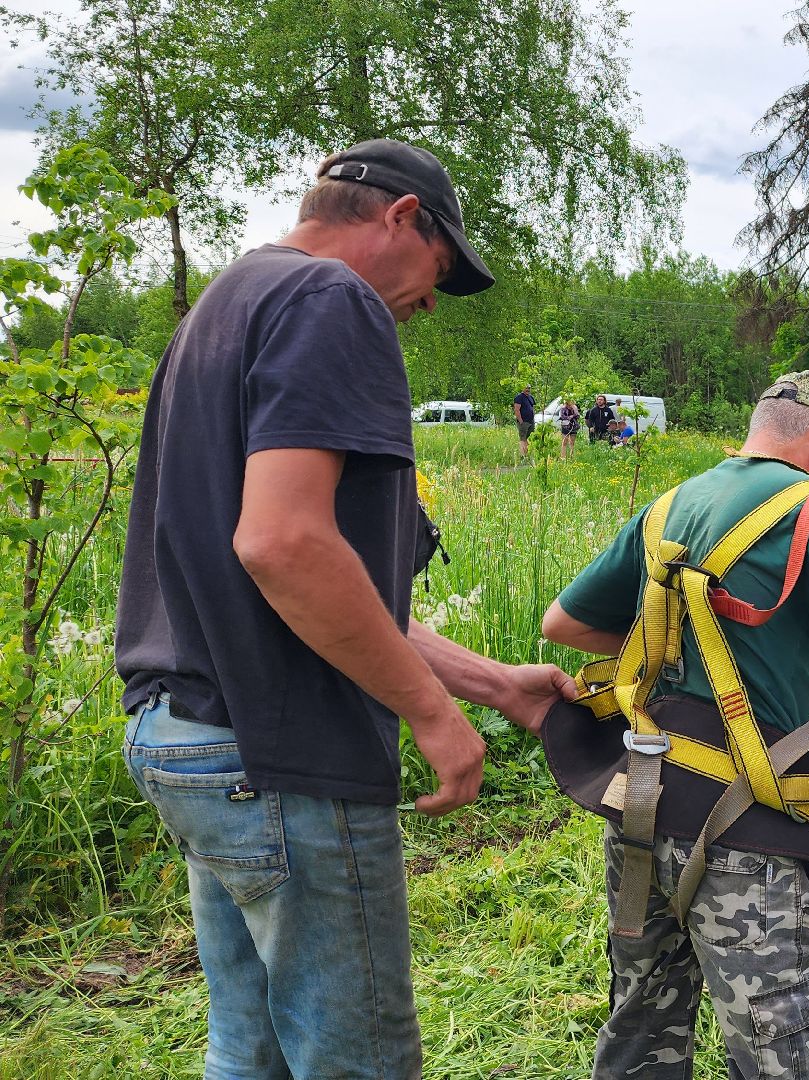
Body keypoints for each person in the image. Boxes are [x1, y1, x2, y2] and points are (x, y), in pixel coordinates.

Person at [114, 138, 576, 1080]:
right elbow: (284, 546)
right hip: (286, 761)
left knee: (251, 1049)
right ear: (402, 219)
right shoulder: (333, 301)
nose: (429, 301)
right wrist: (434, 717)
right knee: (356, 1060)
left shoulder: (227, 301)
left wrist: (499, 688)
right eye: (440, 269)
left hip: (194, 741)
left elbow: (314, 591)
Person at [540, 370, 809, 1080]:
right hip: (755, 842)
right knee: (782, 1053)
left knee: (642, 1027)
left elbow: (562, 623)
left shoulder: (672, 505)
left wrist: (670, 638)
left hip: (642, 813)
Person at [513, 384, 537, 455]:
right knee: (523, 438)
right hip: (523, 422)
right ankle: (523, 455)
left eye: (529, 388)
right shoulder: (519, 397)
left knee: (529, 437)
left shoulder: (531, 397)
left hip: (531, 421)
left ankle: (527, 454)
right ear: (522, 388)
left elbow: (532, 408)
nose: (528, 389)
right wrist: (521, 421)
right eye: (526, 388)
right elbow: (517, 410)